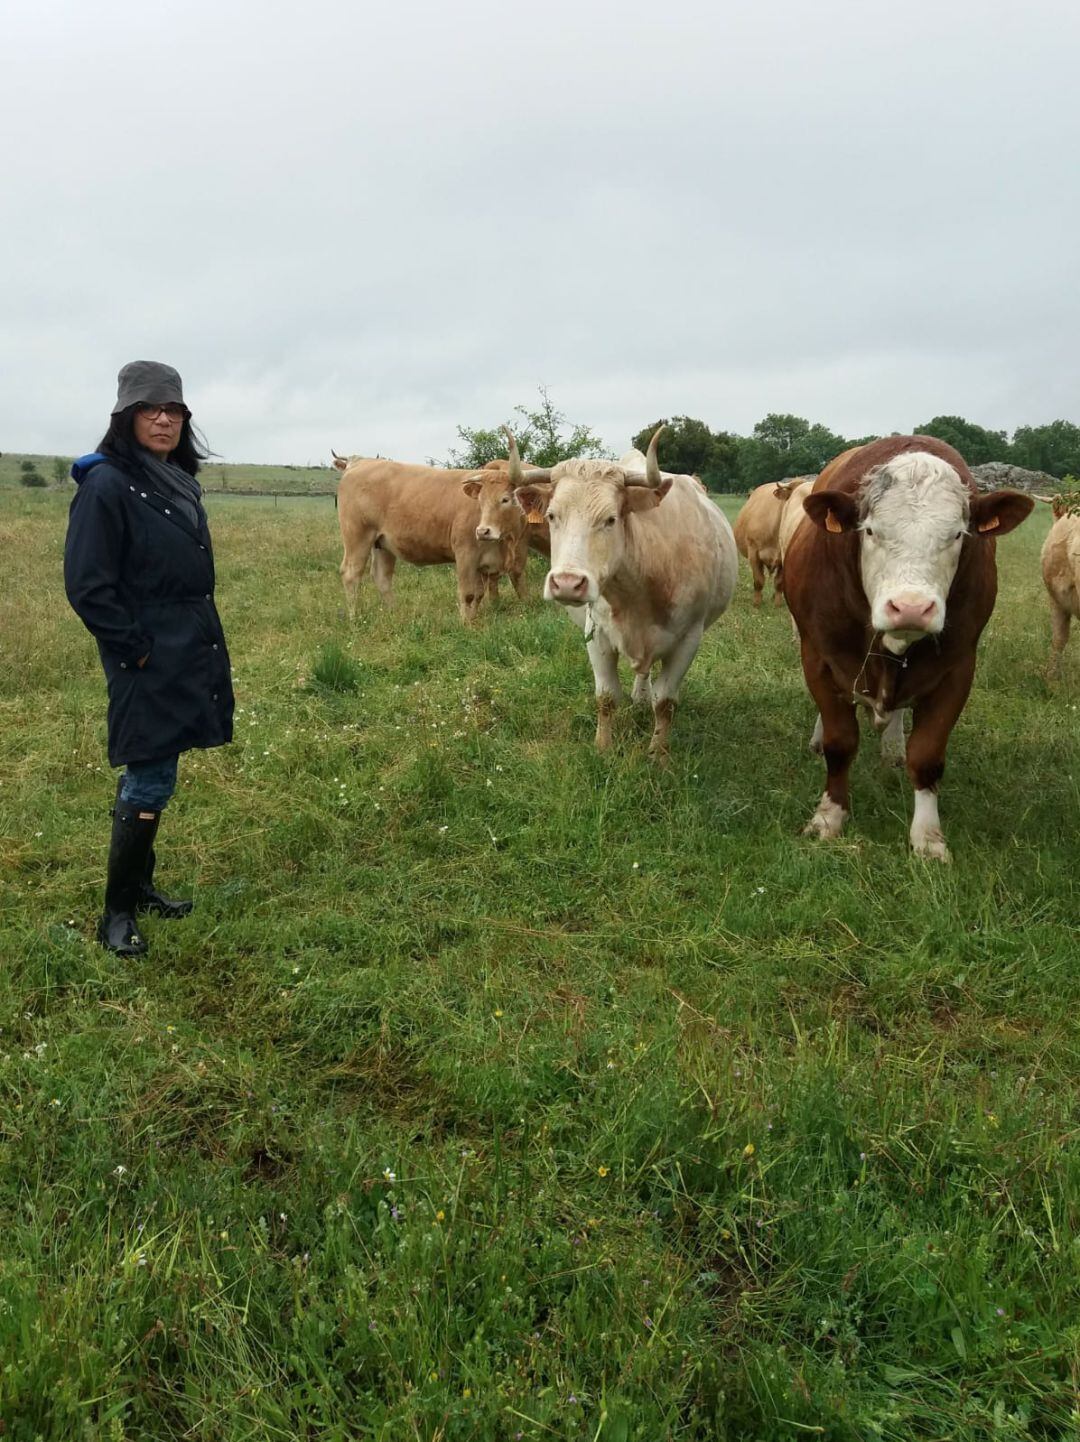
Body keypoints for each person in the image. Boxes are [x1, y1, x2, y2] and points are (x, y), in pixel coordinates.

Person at [64, 361, 235, 956]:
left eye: (174, 410)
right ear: (125, 416)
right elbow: (88, 585)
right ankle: (115, 912)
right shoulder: (108, 484)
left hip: (188, 644)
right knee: (149, 770)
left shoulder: (176, 479)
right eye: (149, 409)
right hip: (147, 652)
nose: (164, 419)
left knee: (159, 768)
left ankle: (139, 887)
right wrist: (135, 651)